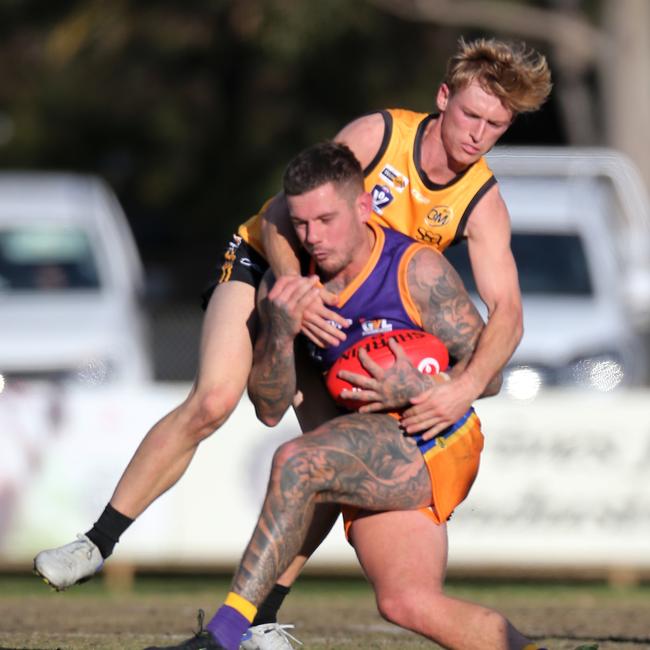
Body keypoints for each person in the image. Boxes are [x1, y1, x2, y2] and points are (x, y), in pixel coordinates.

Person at [34, 36, 552, 650]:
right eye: (471, 115)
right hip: (270, 260)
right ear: (443, 98)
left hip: (341, 307)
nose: (479, 134)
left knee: (327, 456)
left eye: (497, 125)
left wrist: (461, 388)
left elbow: (509, 313)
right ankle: (97, 541)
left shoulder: (482, 202)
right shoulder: (380, 136)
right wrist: (293, 287)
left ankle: (259, 617)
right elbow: (290, 211)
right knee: (217, 398)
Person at [142, 141, 557, 650]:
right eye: (300, 224)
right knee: (406, 603)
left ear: (363, 207)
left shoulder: (414, 270)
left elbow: (487, 375)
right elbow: (270, 409)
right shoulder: (291, 285)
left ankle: (226, 635)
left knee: (299, 462)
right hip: (372, 446)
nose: (313, 237)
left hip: (437, 436)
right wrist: (277, 330)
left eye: (326, 219)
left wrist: (431, 385)